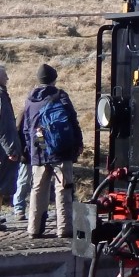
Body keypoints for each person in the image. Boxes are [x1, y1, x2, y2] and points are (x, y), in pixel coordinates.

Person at [20, 63, 82, 239]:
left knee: (37, 189)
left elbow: (26, 129)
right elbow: (72, 121)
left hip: (39, 149)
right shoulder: (60, 95)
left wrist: (32, 148)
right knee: (63, 188)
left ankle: (34, 229)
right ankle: (64, 229)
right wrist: (78, 143)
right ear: (54, 79)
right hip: (60, 150)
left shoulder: (30, 100)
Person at [0, 64, 17, 229]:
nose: (7, 78)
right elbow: (4, 126)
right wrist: (11, 149)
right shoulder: (1, 96)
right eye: (5, 75)